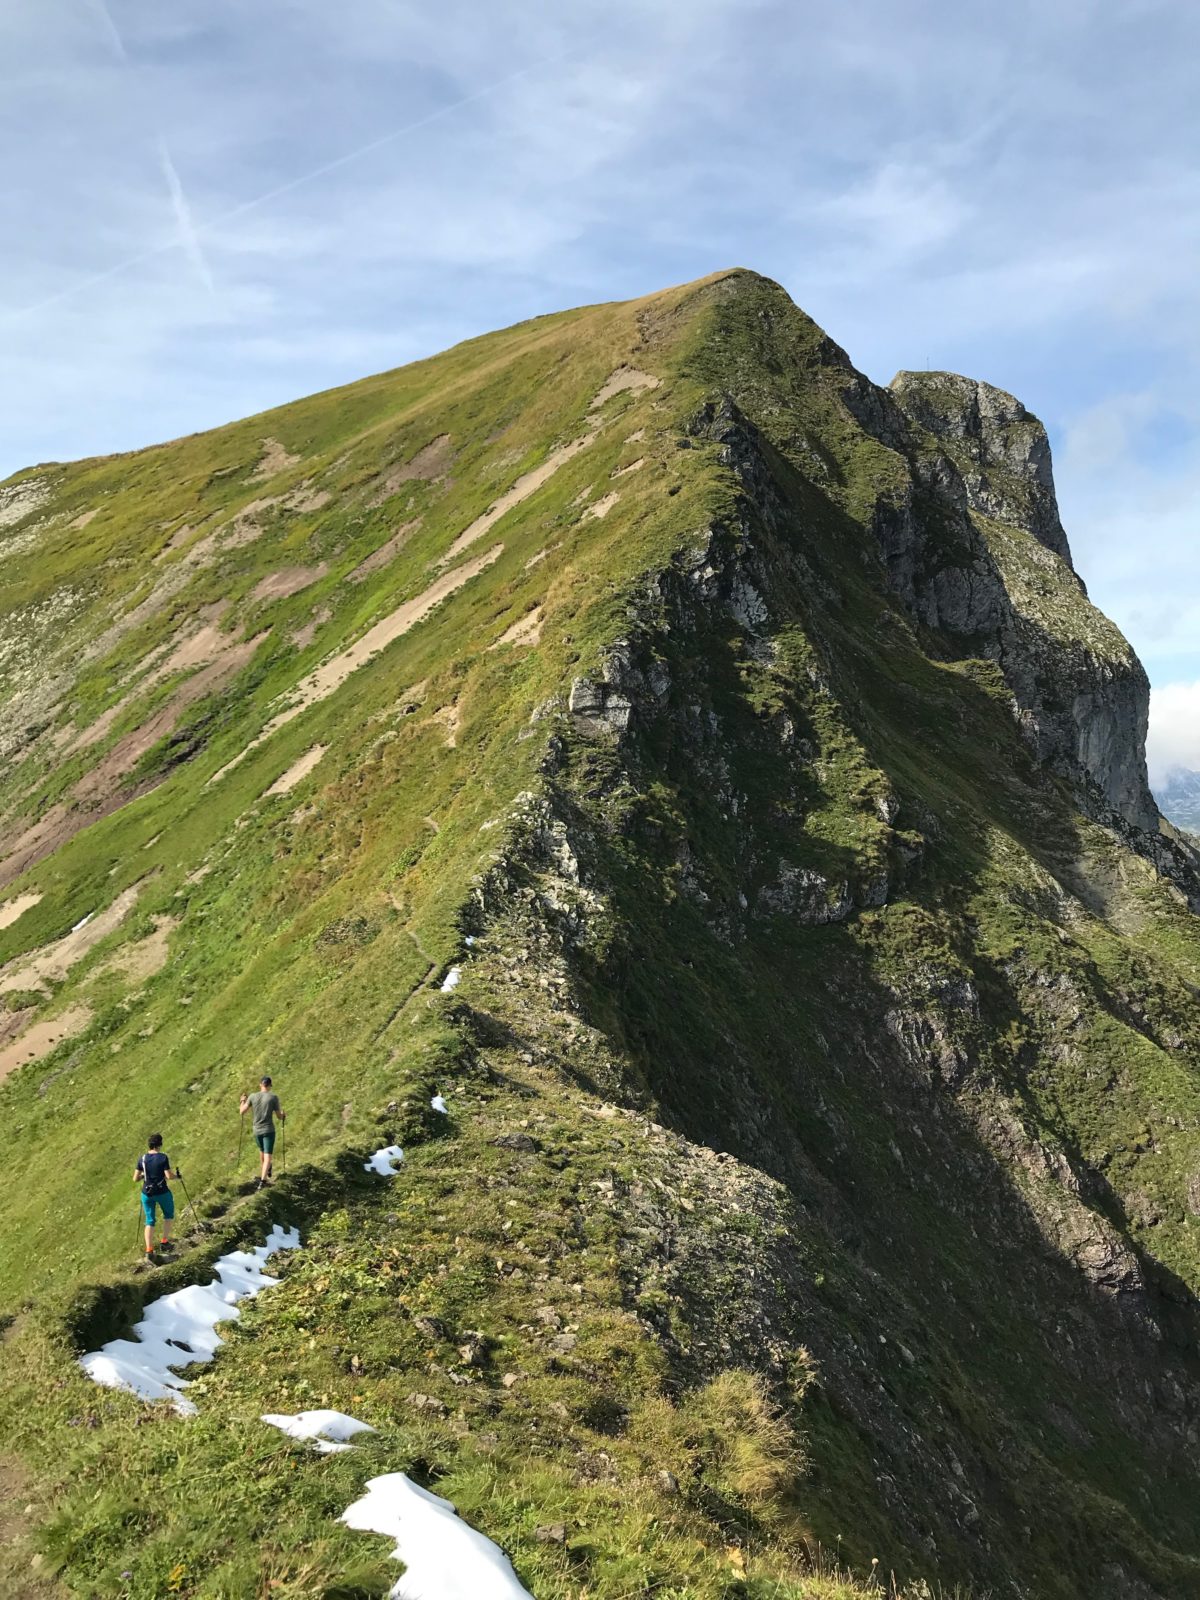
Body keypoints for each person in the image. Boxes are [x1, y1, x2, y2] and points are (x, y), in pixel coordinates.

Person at [134, 1133, 177, 1260]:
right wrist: (177, 1177)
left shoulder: (142, 1159)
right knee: (168, 1215)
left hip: (146, 1194)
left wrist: (145, 1176)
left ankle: (149, 1249)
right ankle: (164, 1242)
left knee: (150, 1220)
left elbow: (135, 1178)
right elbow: (168, 1176)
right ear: (159, 1144)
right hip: (162, 1192)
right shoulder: (163, 1157)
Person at [240, 1075, 285, 1188]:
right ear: (269, 1086)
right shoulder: (273, 1097)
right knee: (268, 1156)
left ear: (260, 1085)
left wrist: (242, 1101)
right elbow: (279, 1116)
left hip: (257, 1130)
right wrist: (283, 1115)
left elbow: (242, 1111)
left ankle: (265, 1172)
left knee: (262, 1151)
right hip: (268, 1130)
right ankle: (263, 1181)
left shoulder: (253, 1096)